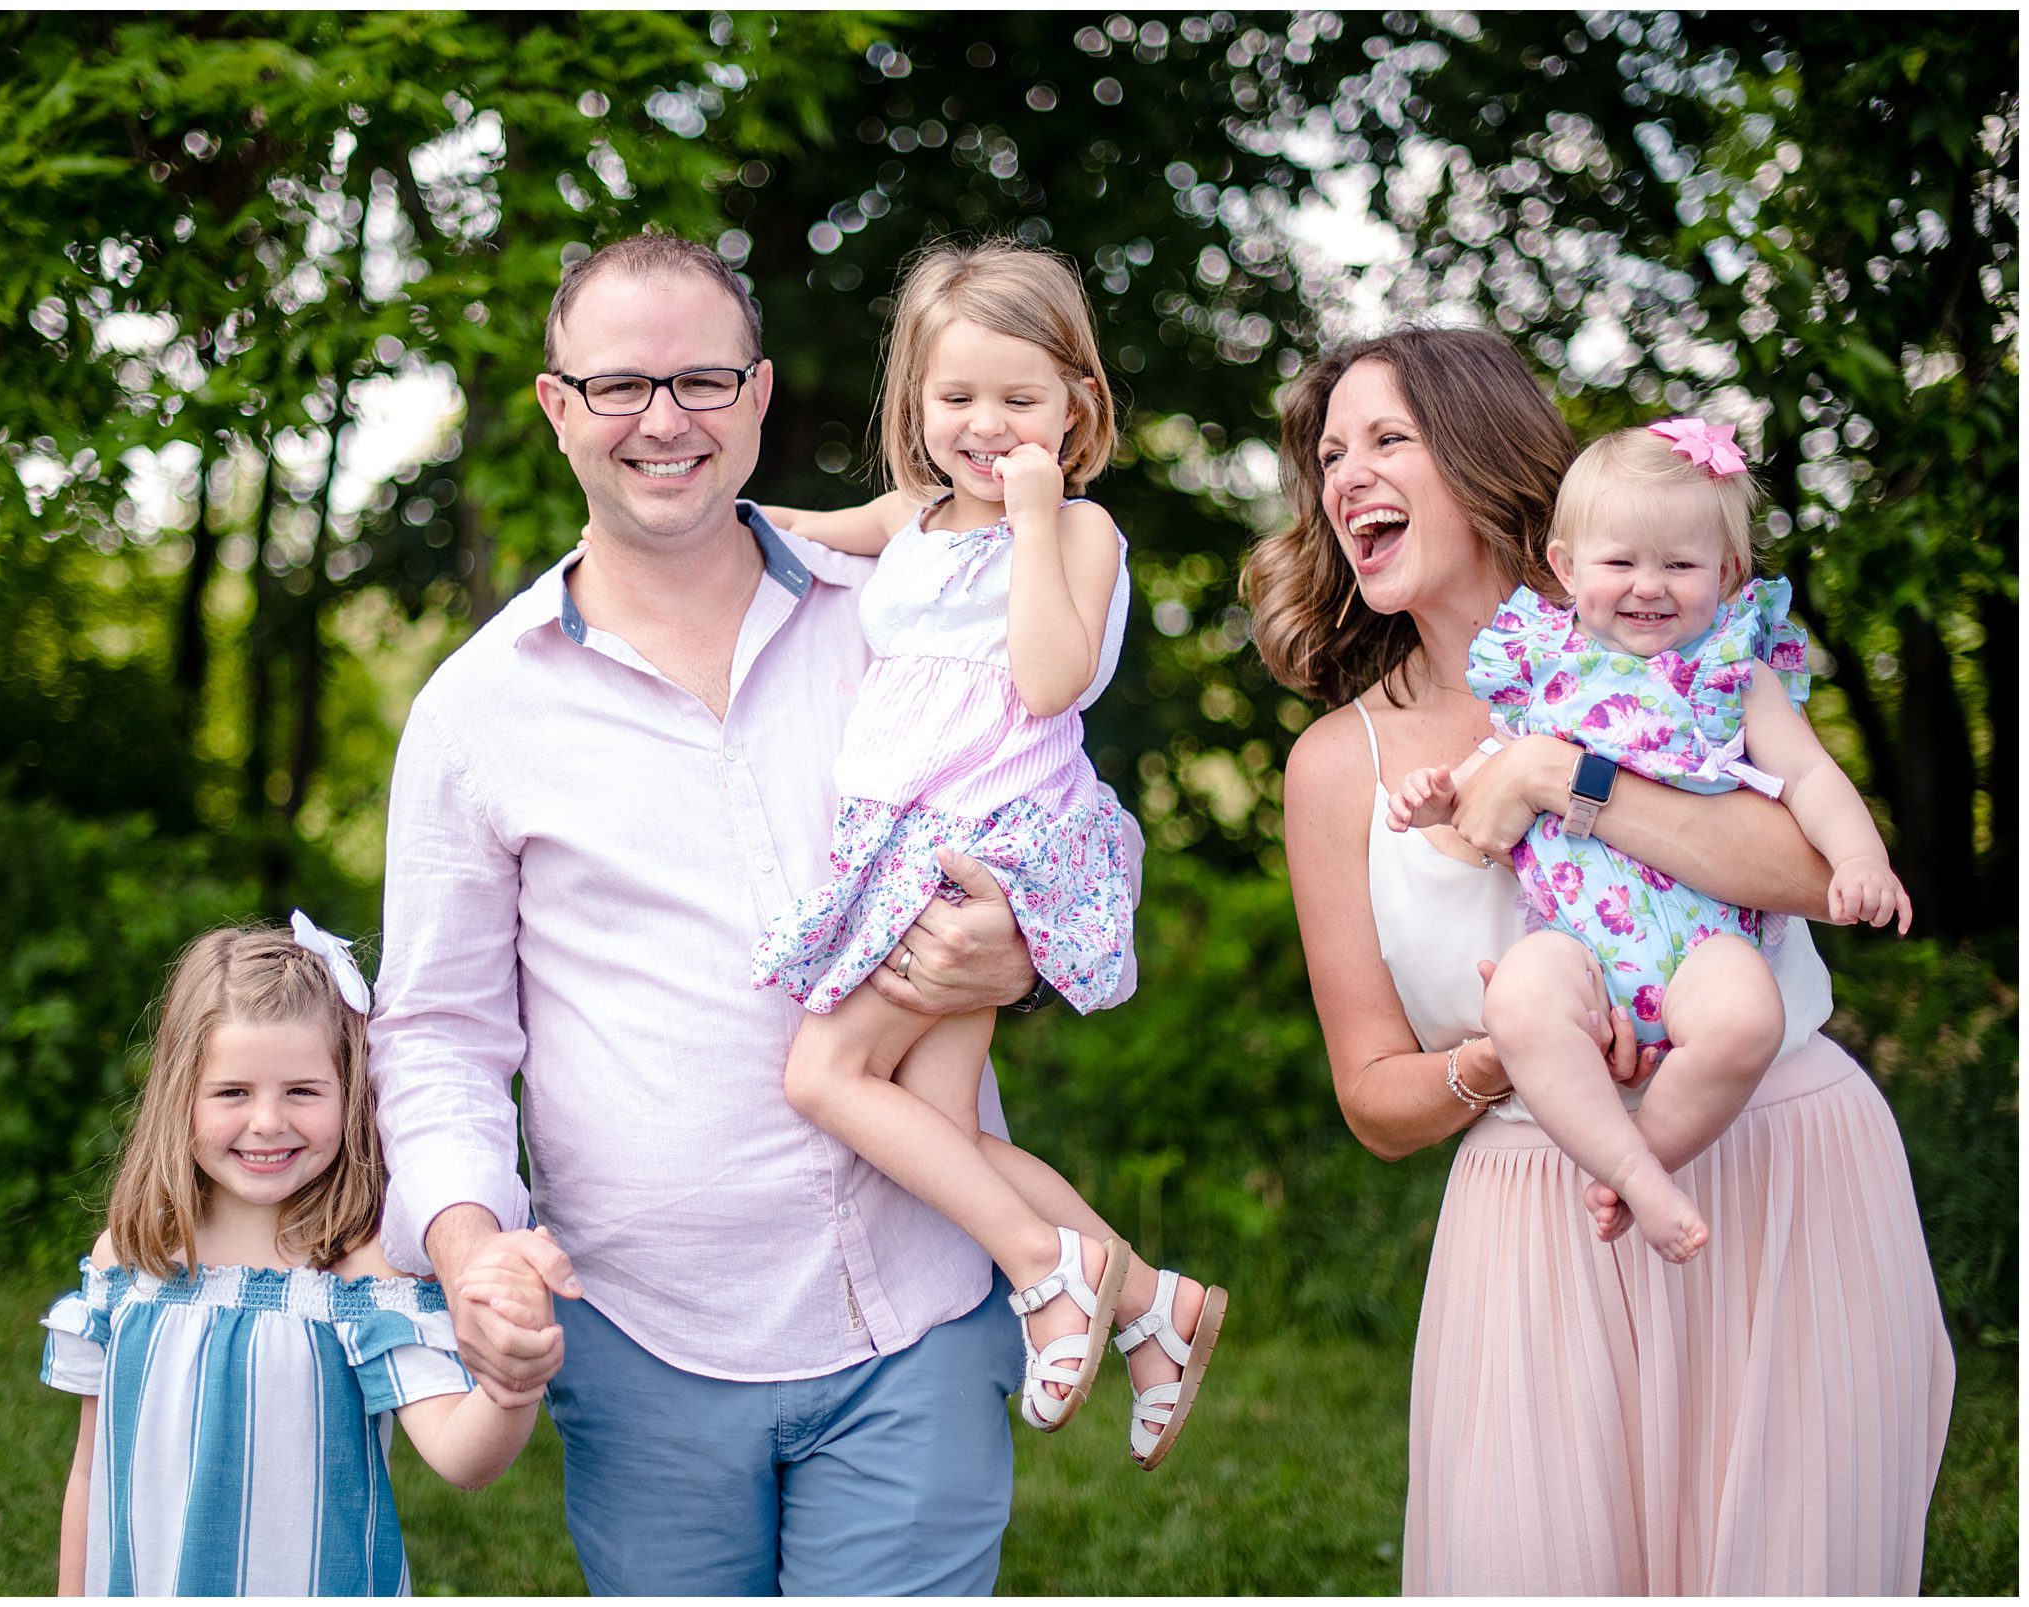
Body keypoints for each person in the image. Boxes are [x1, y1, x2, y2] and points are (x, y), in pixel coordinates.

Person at [368, 232, 1134, 1594]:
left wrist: (1015, 949)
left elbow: (1077, 813)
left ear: (762, 394)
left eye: (703, 379)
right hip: (649, 1328)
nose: (664, 419)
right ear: (557, 407)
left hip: (920, 1307)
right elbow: (433, 1035)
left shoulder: (905, 611)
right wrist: (473, 1245)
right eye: (618, 385)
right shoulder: (477, 712)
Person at [1244, 327, 1952, 1593]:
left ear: (1482, 455)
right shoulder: (1335, 764)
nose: (1345, 473)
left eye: (1387, 439)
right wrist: (1506, 1053)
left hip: (1783, 1157)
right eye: (1329, 452)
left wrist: (1566, 776)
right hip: (1539, 1209)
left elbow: (1814, 874)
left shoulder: (1677, 647)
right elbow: (1373, 1099)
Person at [755, 241, 1223, 1467]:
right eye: (957, 396)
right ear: (918, 400)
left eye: (1021, 399)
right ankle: (1152, 1302)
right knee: (938, 1123)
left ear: (1078, 405)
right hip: (909, 828)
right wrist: (730, 519)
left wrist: (1029, 516)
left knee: (823, 1078)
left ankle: (1046, 1273)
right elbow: (810, 528)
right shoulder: (908, 517)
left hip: (982, 838)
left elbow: (1053, 676)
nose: (987, 425)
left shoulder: (1080, 530)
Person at [1387, 420, 1913, 1262]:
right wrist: (1435, 800)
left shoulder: (1736, 673)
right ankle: (1630, 1169)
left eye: (1679, 564)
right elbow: (1491, 797)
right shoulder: (1537, 663)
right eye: (1620, 562)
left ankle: (1641, 1167)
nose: (1648, 586)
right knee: (1518, 1002)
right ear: (1565, 567)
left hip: (1705, 943)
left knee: (1749, 1018)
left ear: (1728, 573)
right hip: (1577, 946)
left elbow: (1812, 778)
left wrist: (1859, 859)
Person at [40, 915, 540, 1597]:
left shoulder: (363, 1277)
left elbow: (461, 1455)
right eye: (232, 1092)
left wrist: (512, 1383)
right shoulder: (132, 1264)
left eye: (302, 1090)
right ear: (180, 1097)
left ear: (350, 1094)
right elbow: (89, 1471)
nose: (269, 1121)